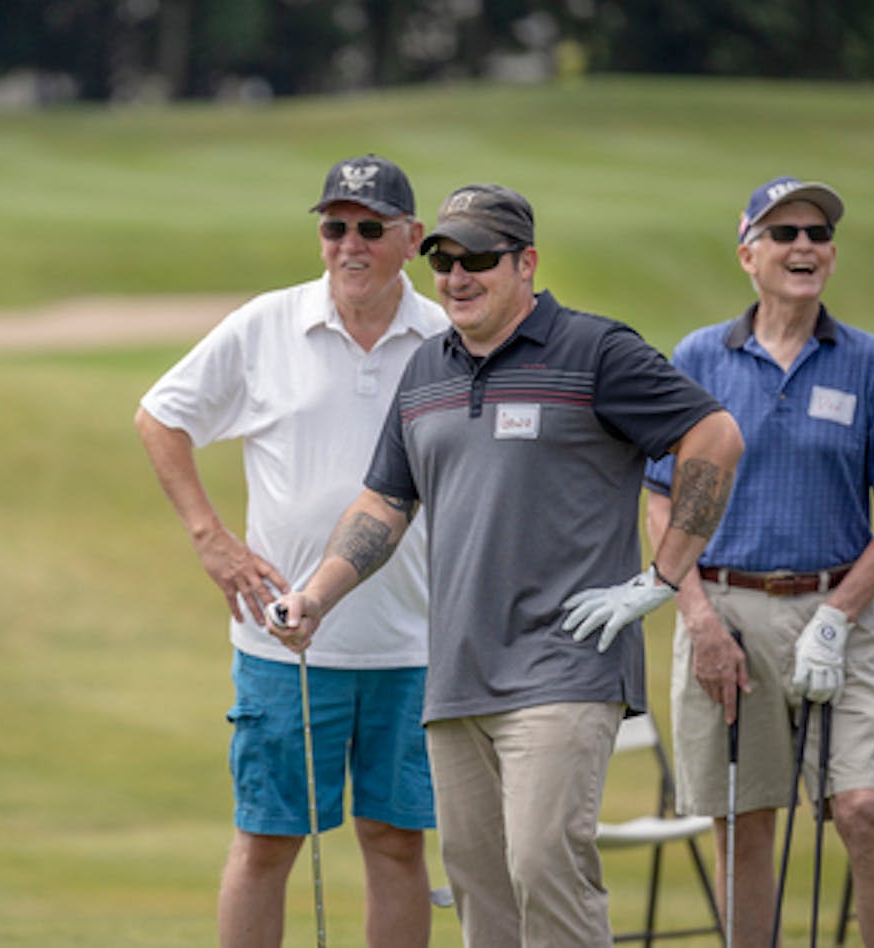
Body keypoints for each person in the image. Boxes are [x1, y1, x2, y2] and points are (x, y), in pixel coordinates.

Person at [270, 182, 744, 947]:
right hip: (456, 674)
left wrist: (661, 577)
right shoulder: (426, 370)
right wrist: (315, 597)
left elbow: (714, 436)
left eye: (478, 258)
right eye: (443, 261)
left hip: (565, 665)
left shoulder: (596, 351)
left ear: (525, 263)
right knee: (479, 885)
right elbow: (384, 503)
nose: (457, 277)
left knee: (544, 865)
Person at [135, 155, 448, 947]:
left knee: (396, 843)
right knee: (268, 841)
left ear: (410, 239)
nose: (350, 244)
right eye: (334, 226)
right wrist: (213, 540)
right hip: (283, 643)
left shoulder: (446, 338)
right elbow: (160, 417)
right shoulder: (267, 324)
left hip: (412, 642)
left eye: (371, 229)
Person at [644, 176, 874, 948]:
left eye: (818, 234)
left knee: (866, 808)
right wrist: (696, 616)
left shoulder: (869, 364)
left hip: (838, 610)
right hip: (724, 612)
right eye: (785, 233)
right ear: (748, 254)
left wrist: (836, 617)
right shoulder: (701, 355)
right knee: (743, 824)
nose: (805, 246)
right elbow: (662, 500)